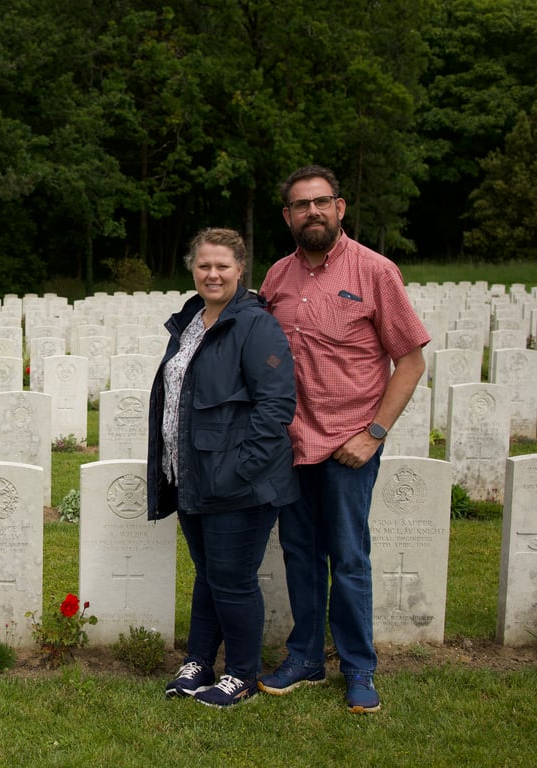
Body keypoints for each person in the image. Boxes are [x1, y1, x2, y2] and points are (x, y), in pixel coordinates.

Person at [257, 165, 430, 713]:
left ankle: (358, 666)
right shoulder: (276, 278)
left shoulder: (376, 271)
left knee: (349, 557)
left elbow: (410, 360)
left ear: (340, 208)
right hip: (291, 444)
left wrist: (374, 433)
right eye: (300, 205)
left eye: (321, 202)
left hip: (348, 444)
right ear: (287, 216)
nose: (312, 212)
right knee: (299, 554)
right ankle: (305, 658)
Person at [148, 228, 300, 708]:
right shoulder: (192, 321)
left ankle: (241, 673)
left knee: (233, 579)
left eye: (222, 266)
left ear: (240, 270)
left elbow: (275, 405)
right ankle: (198, 661)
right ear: (193, 269)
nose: (212, 274)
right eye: (203, 266)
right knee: (208, 573)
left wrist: (239, 471)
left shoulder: (256, 327)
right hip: (192, 474)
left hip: (238, 484)